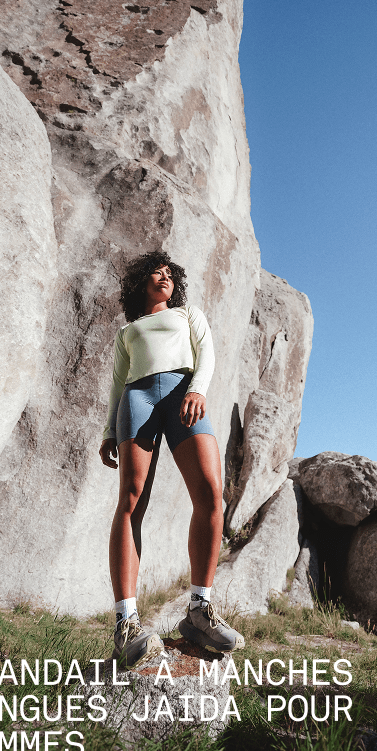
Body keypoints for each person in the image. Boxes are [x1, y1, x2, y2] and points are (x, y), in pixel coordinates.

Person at [99, 250, 244, 668]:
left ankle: (199, 611)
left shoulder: (188, 314)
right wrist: (109, 430)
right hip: (137, 399)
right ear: (141, 283)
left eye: (168, 274)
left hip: (184, 395)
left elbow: (208, 355)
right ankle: (126, 623)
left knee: (211, 495)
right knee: (131, 499)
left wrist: (198, 390)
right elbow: (116, 385)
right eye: (154, 274)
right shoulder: (128, 331)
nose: (163, 278)